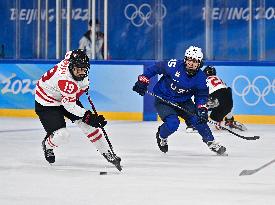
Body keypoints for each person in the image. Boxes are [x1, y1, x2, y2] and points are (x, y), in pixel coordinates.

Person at [35, 49, 121, 170]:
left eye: (83, 69)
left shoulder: (72, 61)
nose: (81, 73)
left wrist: (88, 119)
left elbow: (71, 53)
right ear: (71, 67)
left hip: (65, 95)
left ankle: (107, 152)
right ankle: (47, 145)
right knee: (63, 135)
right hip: (47, 101)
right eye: (78, 69)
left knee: (88, 126)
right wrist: (89, 117)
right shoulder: (66, 81)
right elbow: (69, 106)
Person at [132, 46, 227, 155]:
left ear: (200, 63)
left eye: (195, 61)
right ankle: (161, 136)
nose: (191, 63)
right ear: (185, 59)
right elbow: (156, 68)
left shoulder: (201, 78)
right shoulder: (174, 65)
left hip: (184, 101)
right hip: (164, 99)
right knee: (173, 123)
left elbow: (201, 95)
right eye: (189, 59)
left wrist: (202, 109)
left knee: (198, 120)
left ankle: (211, 142)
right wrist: (143, 80)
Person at [203, 65, 247, 131]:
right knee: (226, 103)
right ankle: (230, 120)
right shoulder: (220, 80)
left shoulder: (204, 80)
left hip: (216, 98)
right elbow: (228, 92)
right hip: (228, 100)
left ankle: (223, 124)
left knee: (209, 126)